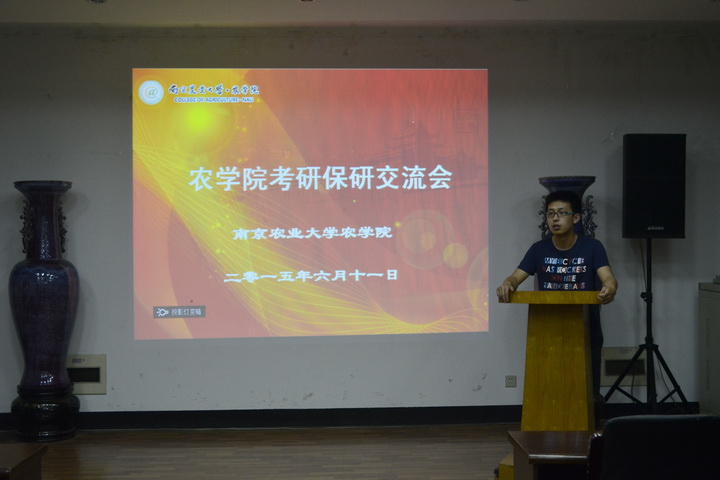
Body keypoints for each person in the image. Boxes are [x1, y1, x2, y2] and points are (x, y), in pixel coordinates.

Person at [496, 190, 618, 398]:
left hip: (585, 326)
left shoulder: (592, 247)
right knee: (550, 385)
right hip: (548, 328)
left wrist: (610, 287)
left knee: (586, 388)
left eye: (562, 213)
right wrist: (507, 284)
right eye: (551, 213)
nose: (555, 219)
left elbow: (608, 278)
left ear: (576, 218)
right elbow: (515, 278)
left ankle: (592, 416)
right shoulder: (538, 250)